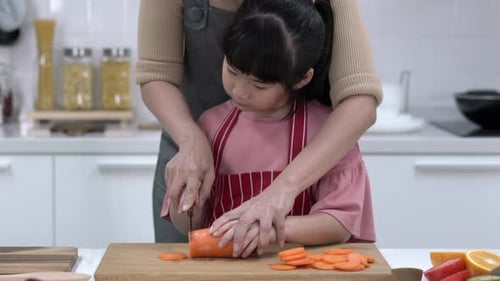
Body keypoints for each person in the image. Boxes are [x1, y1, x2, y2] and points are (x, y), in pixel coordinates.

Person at [136, 0, 382, 254]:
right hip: (191, 136)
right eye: (232, 70)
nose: (240, 92)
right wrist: (191, 144)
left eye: (260, 84)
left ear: (301, 78)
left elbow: (338, 222)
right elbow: (156, 73)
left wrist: (276, 208)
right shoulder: (211, 125)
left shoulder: (318, 129)